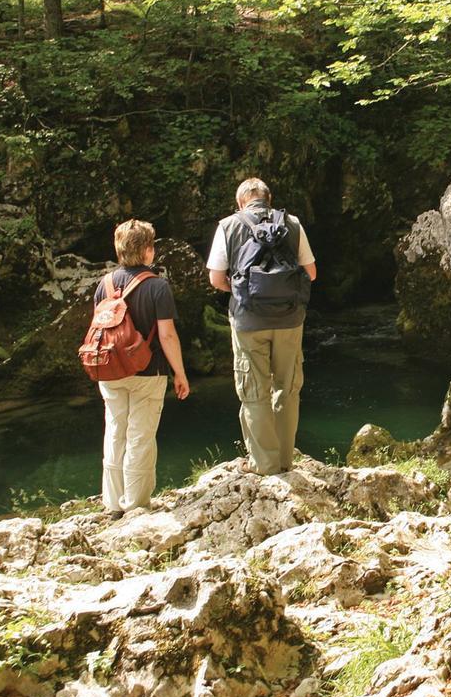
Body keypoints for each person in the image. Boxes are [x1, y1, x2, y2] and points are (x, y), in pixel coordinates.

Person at [207, 178, 316, 475]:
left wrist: (243, 292)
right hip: (290, 320)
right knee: (287, 388)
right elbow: (311, 273)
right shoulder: (292, 223)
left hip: (247, 321)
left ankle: (264, 465)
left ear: (241, 202)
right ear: (269, 198)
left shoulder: (228, 225)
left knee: (254, 391)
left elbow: (216, 278)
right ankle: (285, 461)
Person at [94, 220, 190, 517]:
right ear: (148, 251)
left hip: (110, 371)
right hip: (148, 372)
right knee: (140, 436)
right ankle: (135, 504)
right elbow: (167, 335)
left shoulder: (104, 285)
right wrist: (180, 373)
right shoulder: (158, 286)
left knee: (115, 431)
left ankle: (112, 504)